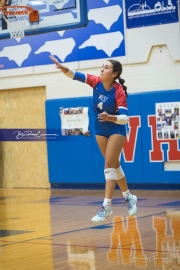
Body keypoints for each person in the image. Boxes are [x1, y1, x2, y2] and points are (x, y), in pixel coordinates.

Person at [49, 55, 137, 223]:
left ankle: (107, 206)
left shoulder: (118, 91)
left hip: (116, 128)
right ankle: (129, 197)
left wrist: (110, 117)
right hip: (100, 129)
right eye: (102, 66)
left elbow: (125, 118)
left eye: (106, 67)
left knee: (108, 165)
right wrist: (62, 67)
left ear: (114, 74)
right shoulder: (95, 82)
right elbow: (75, 74)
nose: (102, 69)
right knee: (114, 165)